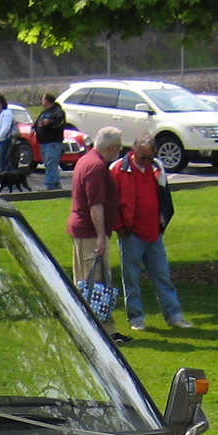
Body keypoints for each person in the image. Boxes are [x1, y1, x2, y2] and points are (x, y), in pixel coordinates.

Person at [110, 135, 189, 331]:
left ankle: (174, 315)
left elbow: (164, 197)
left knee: (162, 276)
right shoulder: (117, 169)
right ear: (134, 151)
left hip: (154, 232)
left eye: (149, 157)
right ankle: (135, 318)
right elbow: (112, 203)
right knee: (131, 279)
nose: (145, 160)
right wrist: (120, 228)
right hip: (130, 234)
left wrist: (162, 223)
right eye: (142, 156)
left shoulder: (157, 167)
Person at [66, 126, 125, 334]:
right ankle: (96, 330)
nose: (119, 151)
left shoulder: (87, 159)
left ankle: (108, 330)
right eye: (118, 147)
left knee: (92, 281)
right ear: (111, 148)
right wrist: (101, 235)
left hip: (85, 230)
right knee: (93, 282)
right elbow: (95, 204)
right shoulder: (96, 167)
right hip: (90, 232)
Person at [34, 93, 67, 189]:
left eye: (43, 99)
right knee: (49, 164)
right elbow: (37, 124)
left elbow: (60, 123)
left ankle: (49, 185)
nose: (42, 101)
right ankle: (55, 184)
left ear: (47, 100)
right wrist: (35, 128)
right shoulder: (44, 112)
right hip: (44, 142)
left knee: (51, 163)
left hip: (52, 142)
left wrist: (49, 122)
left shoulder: (57, 111)